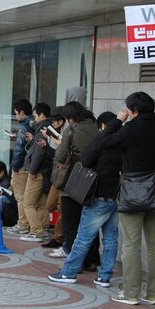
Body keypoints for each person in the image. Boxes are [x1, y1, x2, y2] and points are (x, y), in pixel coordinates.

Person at [99, 91, 155, 305]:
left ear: (134, 111)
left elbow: (105, 142)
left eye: (128, 110)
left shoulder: (130, 129)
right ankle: (154, 293)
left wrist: (117, 121)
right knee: (154, 243)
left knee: (131, 244)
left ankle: (131, 293)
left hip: (132, 193)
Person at [48, 111, 122, 287]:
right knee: (111, 239)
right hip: (115, 197)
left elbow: (86, 158)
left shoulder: (102, 143)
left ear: (103, 126)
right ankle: (104, 277)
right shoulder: (122, 144)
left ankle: (69, 272)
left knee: (83, 237)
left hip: (98, 196)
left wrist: (103, 134)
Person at [48, 101, 100, 271]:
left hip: (72, 181)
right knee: (89, 223)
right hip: (92, 181)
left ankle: (74, 260)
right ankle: (92, 259)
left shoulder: (71, 129)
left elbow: (61, 157)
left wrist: (59, 145)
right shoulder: (96, 127)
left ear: (71, 117)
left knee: (71, 223)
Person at [17, 102, 55, 242]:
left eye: (35, 116)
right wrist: (33, 140)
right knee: (41, 203)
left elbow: (39, 153)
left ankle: (36, 232)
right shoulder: (48, 129)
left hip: (37, 172)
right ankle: (43, 229)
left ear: (42, 115)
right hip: (46, 172)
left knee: (28, 203)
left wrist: (32, 171)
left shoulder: (42, 130)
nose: (34, 119)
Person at [5, 99, 34, 235]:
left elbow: (19, 150)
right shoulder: (33, 123)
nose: (15, 116)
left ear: (22, 112)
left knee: (21, 197)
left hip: (22, 166)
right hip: (30, 165)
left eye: (16, 113)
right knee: (29, 199)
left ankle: (22, 225)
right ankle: (27, 224)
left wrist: (15, 167)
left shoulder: (24, 127)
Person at [40, 107, 67, 248]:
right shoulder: (60, 132)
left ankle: (59, 238)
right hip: (56, 174)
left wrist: (51, 138)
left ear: (61, 121)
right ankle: (59, 236)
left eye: (54, 122)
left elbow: (63, 150)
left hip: (64, 174)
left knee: (61, 208)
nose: (52, 124)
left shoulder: (68, 132)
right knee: (50, 205)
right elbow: (56, 152)